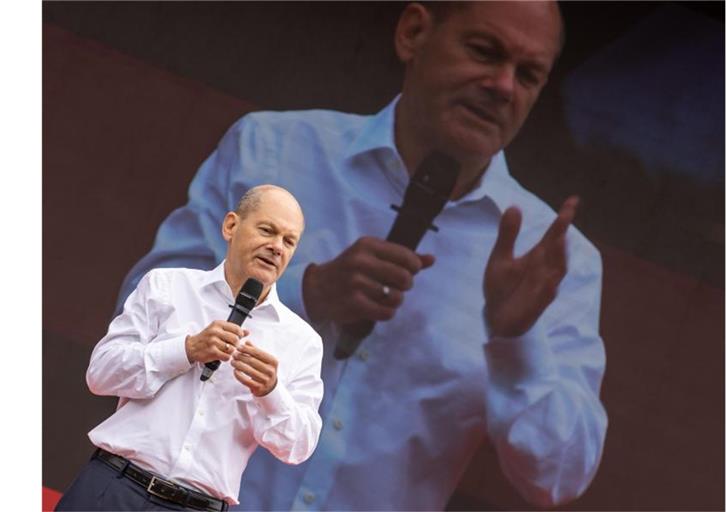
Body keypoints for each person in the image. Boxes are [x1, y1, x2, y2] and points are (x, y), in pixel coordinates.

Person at [115, 1, 608, 509]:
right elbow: (136, 322)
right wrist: (300, 291)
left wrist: (517, 342)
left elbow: (559, 476)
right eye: (485, 52)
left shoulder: (553, 259)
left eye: (528, 75)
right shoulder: (272, 150)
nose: (504, 86)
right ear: (414, 32)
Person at [57, 186, 324, 511]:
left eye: (288, 241)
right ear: (230, 226)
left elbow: (298, 447)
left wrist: (271, 391)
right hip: (114, 487)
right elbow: (101, 374)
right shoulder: (166, 286)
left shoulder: (301, 341)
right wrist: (185, 350)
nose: (276, 247)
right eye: (267, 230)